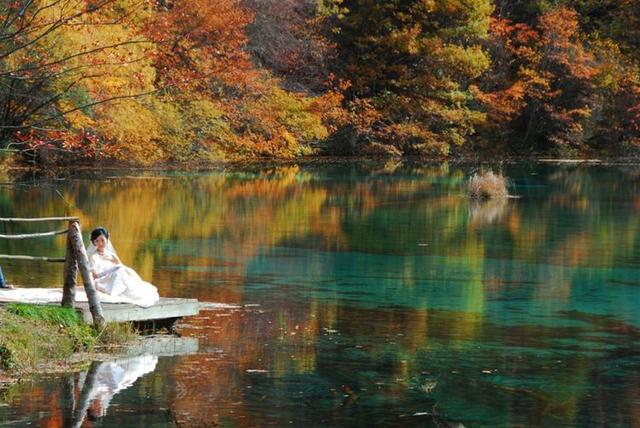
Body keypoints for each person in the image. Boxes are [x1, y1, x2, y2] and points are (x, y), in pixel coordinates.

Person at [87, 227, 159, 307]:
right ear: (93, 242)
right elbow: (94, 275)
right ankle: (115, 290)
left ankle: (129, 290)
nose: (100, 243)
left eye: (102, 240)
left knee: (124, 271)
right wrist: (110, 271)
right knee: (118, 272)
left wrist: (115, 263)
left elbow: (121, 268)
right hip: (102, 281)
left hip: (116, 278)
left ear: (107, 240)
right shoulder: (94, 257)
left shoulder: (111, 255)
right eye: (97, 241)